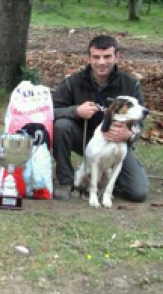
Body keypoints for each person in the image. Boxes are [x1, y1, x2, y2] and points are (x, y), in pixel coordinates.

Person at [52, 34, 149, 202]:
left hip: (115, 143)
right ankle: (65, 181)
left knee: (138, 193)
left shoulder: (130, 84)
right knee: (61, 126)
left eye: (107, 57)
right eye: (96, 57)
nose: (102, 62)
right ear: (88, 58)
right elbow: (51, 111)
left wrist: (129, 135)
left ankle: (109, 179)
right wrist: (76, 111)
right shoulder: (72, 82)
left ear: (116, 57)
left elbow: (140, 124)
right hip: (82, 138)